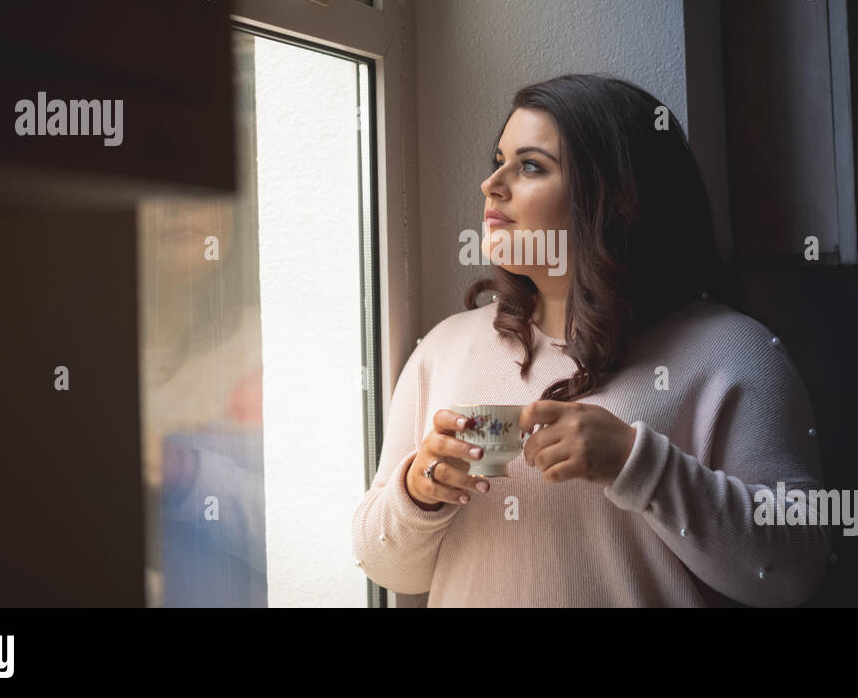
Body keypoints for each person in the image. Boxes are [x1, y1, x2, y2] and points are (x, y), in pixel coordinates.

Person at [352, 73, 830, 607]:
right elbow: (387, 568)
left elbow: (793, 571)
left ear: (617, 197)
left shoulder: (734, 352)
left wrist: (635, 464)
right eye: (499, 161)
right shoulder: (443, 349)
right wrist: (419, 493)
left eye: (530, 166)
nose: (492, 184)